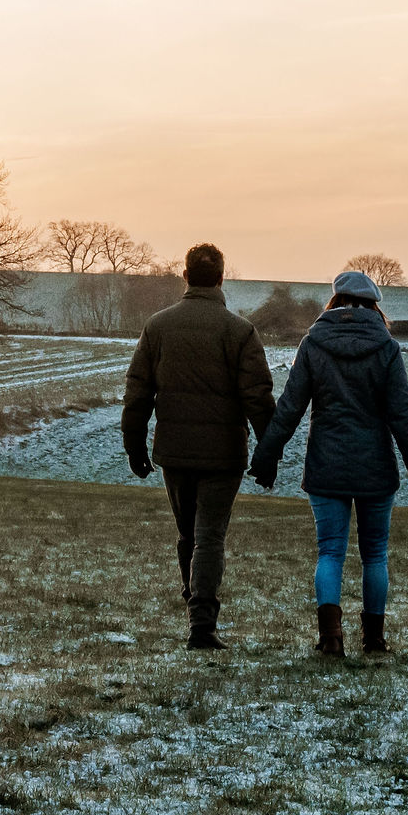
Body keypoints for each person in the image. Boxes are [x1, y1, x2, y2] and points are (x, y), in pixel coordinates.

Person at [249, 270, 408, 658]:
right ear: (373, 305)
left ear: (334, 302)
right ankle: (375, 641)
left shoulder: (314, 343)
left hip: (326, 464)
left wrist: (266, 457)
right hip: (375, 468)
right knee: (375, 554)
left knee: (330, 552)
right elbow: (404, 417)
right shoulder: (386, 348)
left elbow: (289, 408)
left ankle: (330, 640)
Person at [121, 243, 276, 650]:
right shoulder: (240, 331)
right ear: (222, 278)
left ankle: (194, 603)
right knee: (209, 536)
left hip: (173, 450)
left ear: (185, 276)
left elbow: (137, 395)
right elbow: (258, 398)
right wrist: (268, 454)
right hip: (224, 454)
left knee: (189, 533)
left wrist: (134, 448)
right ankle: (202, 624)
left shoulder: (158, 327)